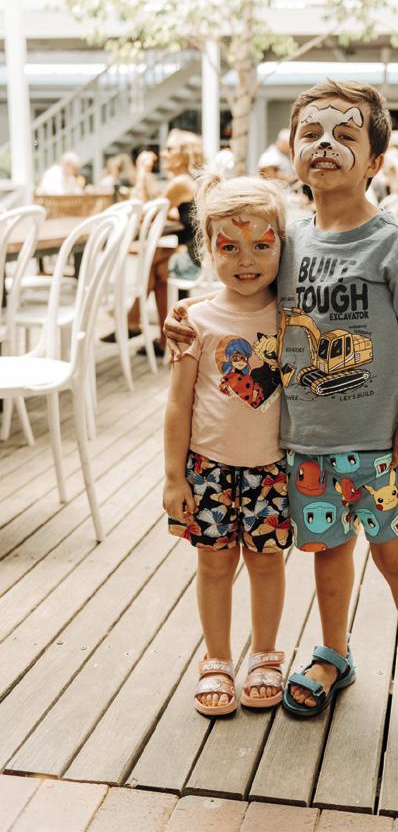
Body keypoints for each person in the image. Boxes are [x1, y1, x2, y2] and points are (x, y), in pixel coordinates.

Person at [165, 80, 398, 751]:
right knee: (328, 556)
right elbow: (239, 284)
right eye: (311, 133)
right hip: (305, 444)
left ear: (375, 160)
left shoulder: (397, 243)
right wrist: (185, 312)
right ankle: (333, 653)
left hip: (379, 442)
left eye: (345, 134)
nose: (326, 144)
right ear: (292, 152)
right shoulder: (289, 242)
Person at [163, 173, 292, 716]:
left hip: (273, 469)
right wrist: (174, 477)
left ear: (283, 246)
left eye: (262, 245)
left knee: (266, 564)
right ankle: (216, 659)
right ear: (207, 249)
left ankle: (264, 654)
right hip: (208, 469)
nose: (247, 260)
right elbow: (178, 404)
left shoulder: (292, 314)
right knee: (214, 566)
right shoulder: (194, 320)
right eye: (230, 247)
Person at [102, 128, 204, 355]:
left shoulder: (181, 182)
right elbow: (172, 211)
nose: (163, 154)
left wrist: (141, 172)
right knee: (155, 267)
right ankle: (161, 337)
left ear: (184, 155)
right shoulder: (188, 181)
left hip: (193, 259)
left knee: (152, 261)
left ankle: (133, 321)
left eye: (170, 149)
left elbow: (144, 214)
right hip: (199, 253)